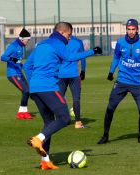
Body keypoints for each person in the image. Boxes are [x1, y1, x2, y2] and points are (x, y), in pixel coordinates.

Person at [24, 22, 102, 170]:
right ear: (62, 33)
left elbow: (27, 66)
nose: (69, 38)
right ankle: (38, 139)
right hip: (48, 87)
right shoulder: (58, 42)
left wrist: (33, 85)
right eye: (68, 35)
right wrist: (92, 51)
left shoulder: (41, 45)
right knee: (65, 118)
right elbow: (69, 57)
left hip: (35, 89)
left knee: (49, 124)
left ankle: (45, 161)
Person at [97, 19, 140, 144]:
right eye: (129, 29)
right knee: (110, 108)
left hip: (138, 83)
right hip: (121, 81)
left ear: (137, 29)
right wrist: (111, 72)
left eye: (133, 29)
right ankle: (105, 135)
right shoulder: (120, 43)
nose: (131, 32)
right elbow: (116, 58)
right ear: (126, 29)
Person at [0, 28, 32, 119]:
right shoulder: (13, 46)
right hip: (13, 74)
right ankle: (23, 112)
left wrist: (23, 66)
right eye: (27, 40)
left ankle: (22, 112)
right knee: (26, 91)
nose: (28, 42)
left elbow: (17, 61)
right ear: (22, 39)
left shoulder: (20, 47)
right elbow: (3, 57)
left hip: (19, 73)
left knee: (27, 91)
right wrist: (13, 59)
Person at [58, 35, 88, 129]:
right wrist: (83, 70)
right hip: (74, 74)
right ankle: (78, 123)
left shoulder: (57, 41)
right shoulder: (78, 42)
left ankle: (59, 121)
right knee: (76, 98)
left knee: (59, 97)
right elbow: (83, 57)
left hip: (60, 74)